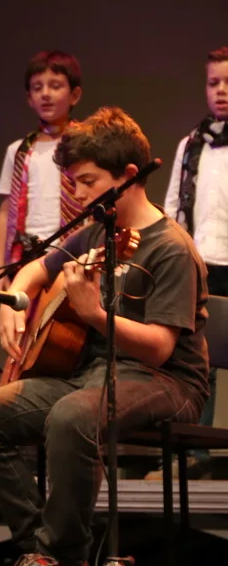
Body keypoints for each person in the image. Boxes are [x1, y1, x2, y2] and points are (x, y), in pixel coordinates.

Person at [0, 107, 210, 566]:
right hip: (92, 374)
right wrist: (14, 302)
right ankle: (41, 547)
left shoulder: (171, 247)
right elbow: (37, 268)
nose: (78, 194)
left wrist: (94, 314)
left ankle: (61, 554)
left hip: (167, 381)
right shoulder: (95, 232)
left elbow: (159, 348)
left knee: (72, 416)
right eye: (74, 182)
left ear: (128, 176)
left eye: (88, 181)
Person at [152, 45, 228, 480]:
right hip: (202, 264)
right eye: (213, 82)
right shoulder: (191, 145)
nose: (221, 90)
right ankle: (193, 455)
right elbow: (172, 208)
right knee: (202, 362)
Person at [0, 51, 85, 290]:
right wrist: (0, 269)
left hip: (72, 256)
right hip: (25, 258)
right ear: (29, 98)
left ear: (74, 95)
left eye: (55, 86)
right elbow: (6, 211)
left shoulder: (85, 146)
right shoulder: (19, 151)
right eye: (37, 88)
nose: (45, 94)